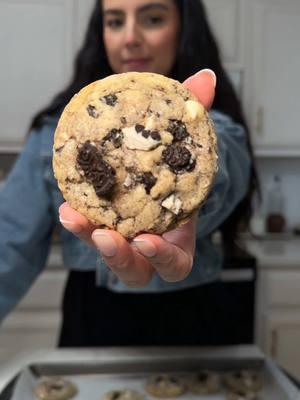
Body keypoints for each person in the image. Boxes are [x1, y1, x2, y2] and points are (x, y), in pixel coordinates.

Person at [0, 0, 258, 346]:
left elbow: (223, 163)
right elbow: (8, 247)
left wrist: (194, 191)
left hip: (194, 321)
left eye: (152, 19)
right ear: (101, 34)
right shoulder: (57, 135)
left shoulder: (216, 126)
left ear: (184, 29)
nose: (131, 37)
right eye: (115, 21)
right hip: (92, 322)